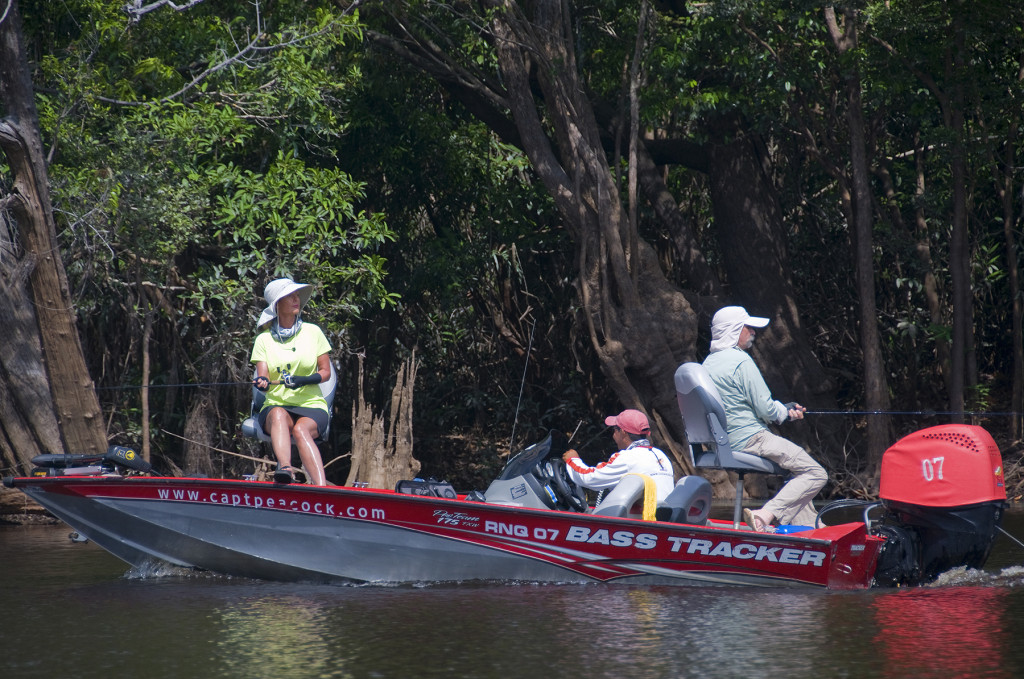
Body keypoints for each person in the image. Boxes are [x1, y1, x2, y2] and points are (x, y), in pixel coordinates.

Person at [701, 305, 826, 532]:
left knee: (796, 472)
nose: (753, 332)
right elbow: (766, 410)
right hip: (752, 439)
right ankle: (763, 515)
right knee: (815, 473)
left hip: (724, 443)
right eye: (748, 328)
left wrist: (782, 410)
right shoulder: (740, 361)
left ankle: (811, 530)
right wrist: (785, 413)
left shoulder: (707, 364)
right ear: (734, 330)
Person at [251, 277, 332, 486]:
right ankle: (285, 469)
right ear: (278, 305)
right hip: (276, 406)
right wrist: (263, 383)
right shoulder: (263, 340)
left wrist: (304, 380)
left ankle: (322, 488)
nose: (297, 299)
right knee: (278, 413)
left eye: (297, 295)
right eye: (290, 296)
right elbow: (264, 378)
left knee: (300, 430)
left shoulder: (313, 332)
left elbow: (326, 372)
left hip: (311, 405)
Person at [562, 409, 675, 505]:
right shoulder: (661, 455)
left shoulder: (627, 458)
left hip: (642, 522)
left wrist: (573, 460)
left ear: (623, 432)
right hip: (661, 518)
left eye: (614, 430)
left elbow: (590, 478)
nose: (613, 435)